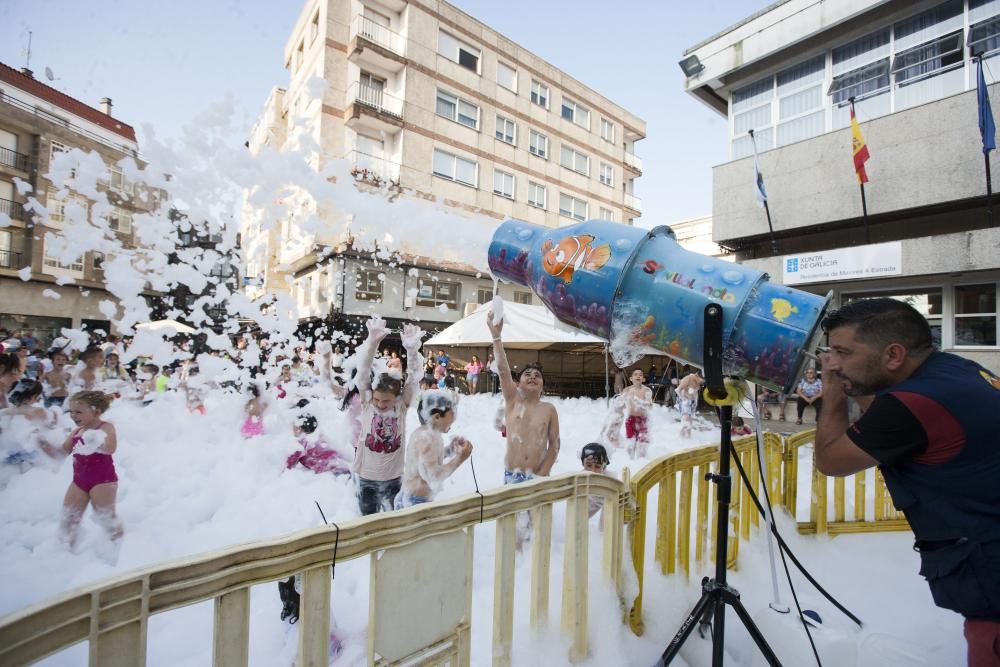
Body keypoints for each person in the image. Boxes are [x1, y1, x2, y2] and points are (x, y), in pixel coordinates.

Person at [814, 298, 1000, 666]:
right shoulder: (954, 370)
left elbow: (831, 460)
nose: (832, 363)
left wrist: (832, 394)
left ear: (893, 355)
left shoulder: (912, 404)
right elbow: (880, 416)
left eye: (842, 352)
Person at [353, 317, 424, 516]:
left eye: (385, 401)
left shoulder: (401, 406)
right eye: (377, 400)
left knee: (392, 524)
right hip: (367, 478)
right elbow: (363, 372)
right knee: (367, 523)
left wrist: (411, 351)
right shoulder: (368, 404)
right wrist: (372, 342)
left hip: (393, 478)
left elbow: (413, 378)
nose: (380, 405)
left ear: (396, 398)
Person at [486, 309, 560, 483]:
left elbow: (554, 444)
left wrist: (542, 473)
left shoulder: (549, 410)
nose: (533, 376)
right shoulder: (513, 400)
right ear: (518, 383)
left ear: (542, 386)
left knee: (537, 512)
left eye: (537, 375)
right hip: (513, 474)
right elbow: (503, 370)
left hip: (537, 475)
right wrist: (496, 337)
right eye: (527, 374)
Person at [58, 391, 123, 549]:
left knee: (106, 517)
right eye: (71, 411)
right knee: (69, 517)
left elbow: (110, 448)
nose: (73, 415)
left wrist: (96, 441)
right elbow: (63, 451)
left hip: (103, 480)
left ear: (96, 412)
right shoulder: (77, 431)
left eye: (78, 412)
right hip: (79, 481)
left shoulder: (106, 427)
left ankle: (119, 546)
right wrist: (43, 443)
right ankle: (64, 550)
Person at [396, 390, 473, 508]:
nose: (455, 416)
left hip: (412, 497)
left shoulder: (426, 433)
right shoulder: (427, 439)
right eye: (452, 412)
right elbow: (433, 476)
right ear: (437, 417)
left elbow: (430, 460)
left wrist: (450, 449)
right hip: (414, 502)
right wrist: (460, 458)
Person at [621, 368, 653, 458]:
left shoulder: (647, 391)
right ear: (631, 378)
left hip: (642, 420)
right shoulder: (627, 390)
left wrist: (641, 403)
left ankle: (641, 462)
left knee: (643, 443)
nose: (638, 376)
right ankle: (631, 462)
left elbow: (650, 405)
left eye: (640, 374)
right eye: (635, 374)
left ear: (643, 379)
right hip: (630, 419)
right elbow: (621, 404)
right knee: (630, 443)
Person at [581, 442, 612, 519]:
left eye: (597, 466)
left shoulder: (610, 482)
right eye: (588, 465)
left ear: (604, 466)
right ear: (582, 463)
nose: (593, 470)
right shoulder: (580, 479)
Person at [676, 373, 704, 439]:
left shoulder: (695, 382)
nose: (701, 382)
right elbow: (678, 390)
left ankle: (688, 436)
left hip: (691, 403)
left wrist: (695, 404)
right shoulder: (689, 379)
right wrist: (684, 399)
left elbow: (695, 395)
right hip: (685, 403)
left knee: (690, 422)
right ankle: (681, 437)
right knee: (686, 421)